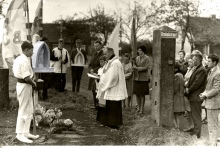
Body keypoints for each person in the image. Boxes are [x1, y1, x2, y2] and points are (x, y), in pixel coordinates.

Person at [12, 41, 39, 143]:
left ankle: (26, 132)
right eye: (31, 50)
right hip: (24, 85)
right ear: (26, 50)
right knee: (23, 109)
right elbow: (27, 78)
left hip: (26, 86)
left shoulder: (22, 58)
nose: (32, 52)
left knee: (29, 109)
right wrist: (34, 83)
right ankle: (19, 133)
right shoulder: (23, 60)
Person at [96, 47, 127, 129]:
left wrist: (105, 84)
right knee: (110, 106)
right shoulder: (111, 62)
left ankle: (114, 124)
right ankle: (110, 123)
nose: (105, 56)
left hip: (114, 87)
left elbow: (113, 77)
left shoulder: (115, 63)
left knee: (114, 106)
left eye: (106, 54)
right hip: (111, 87)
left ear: (110, 53)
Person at [185, 53, 207, 138]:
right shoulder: (198, 68)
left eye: (194, 60)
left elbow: (196, 83)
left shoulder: (201, 69)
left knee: (196, 115)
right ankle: (196, 130)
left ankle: (197, 133)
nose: (192, 61)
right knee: (195, 114)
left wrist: (188, 90)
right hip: (194, 95)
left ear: (198, 60)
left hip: (196, 96)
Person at [200, 54, 220, 146]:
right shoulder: (211, 71)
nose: (207, 62)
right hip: (211, 102)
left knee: (213, 125)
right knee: (211, 125)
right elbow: (209, 87)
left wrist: (205, 95)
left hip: (214, 103)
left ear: (214, 62)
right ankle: (213, 143)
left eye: (209, 61)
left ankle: (213, 144)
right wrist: (204, 93)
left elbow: (216, 89)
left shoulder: (217, 73)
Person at [133, 45, 150, 114]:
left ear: (143, 51)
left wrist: (137, 68)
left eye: (140, 50)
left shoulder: (147, 58)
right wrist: (133, 66)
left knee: (142, 94)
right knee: (137, 94)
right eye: (138, 50)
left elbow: (146, 67)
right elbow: (134, 66)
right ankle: (138, 107)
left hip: (143, 78)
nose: (138, 51)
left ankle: (142, 109)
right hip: (137, 78)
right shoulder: (137, 58)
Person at [88, 40, 104, 109]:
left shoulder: (103, 54)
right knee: (93, 89)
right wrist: (91, 69)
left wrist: (94, 70)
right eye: (95, 46)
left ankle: (99, 105)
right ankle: (95, 104)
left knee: (98, 89)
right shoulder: (94, 54)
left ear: (100, 45)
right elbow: (91, 63)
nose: (96, 47)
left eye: (97, 46)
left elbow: (102, 65)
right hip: (92, 74)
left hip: (98, 74)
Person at [173, 62, 186, 129]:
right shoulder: (181, 75)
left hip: (176, 96)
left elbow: (175, 88)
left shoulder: (176, 76)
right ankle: (177, 127)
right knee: (177, 114)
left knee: (172, 113)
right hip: (180, 96)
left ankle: (176, 127)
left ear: (175, 69)